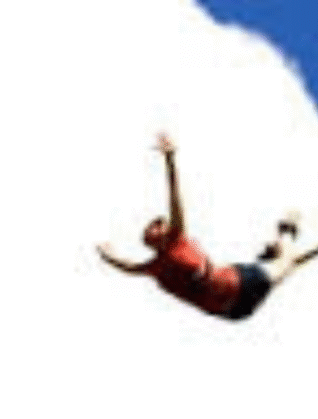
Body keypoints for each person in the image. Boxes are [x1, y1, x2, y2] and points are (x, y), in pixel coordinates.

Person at [97, 133, 300, 320]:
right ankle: (276, 249)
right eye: (156, 225)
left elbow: (174, 196)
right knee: (285, 263)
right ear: (151, 240)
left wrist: (170, 159)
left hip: (241, 285)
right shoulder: (159, 262)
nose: (160, 225)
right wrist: (108, 257)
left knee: (287, 262)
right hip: (233, 310)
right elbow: (128, 266)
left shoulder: (174, 240)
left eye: (160, 224)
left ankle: (285, 234)